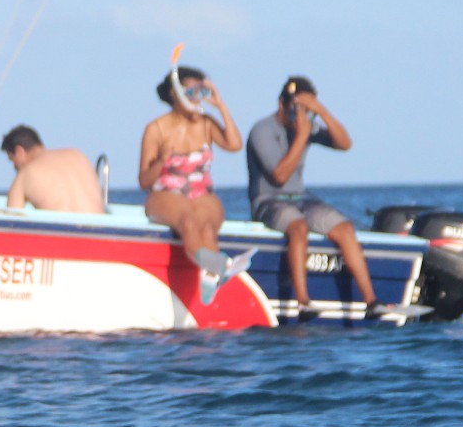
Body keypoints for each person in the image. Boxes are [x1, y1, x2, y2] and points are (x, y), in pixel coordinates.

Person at [245, 75, 381, 319]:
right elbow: (279, 176)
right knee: (298, 227)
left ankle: (371, 302)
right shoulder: (262, 130)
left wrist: (321, 111)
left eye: (309, 112)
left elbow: (344, 143)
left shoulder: (307, 125)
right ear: (281, 105)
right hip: (268, 200)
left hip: (299, 199)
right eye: (298, 109)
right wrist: (301, 136)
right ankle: (303, 302)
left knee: (344, 229)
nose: (302, 117)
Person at [138, 63, 241, 301]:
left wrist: (220, 105)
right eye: (193, 92)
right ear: (176, 93)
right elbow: (144, 180)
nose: (198, 98)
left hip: (201, 190)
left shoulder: (206, 123)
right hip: (166, 191)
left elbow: (234, 145)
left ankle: (210, 287)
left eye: (202, 92)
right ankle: (214, 264)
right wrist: (160, 161)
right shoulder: (156, 129)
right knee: (189, 223)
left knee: (207, 228)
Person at [0, 125, 104, 214]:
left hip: (62, 234)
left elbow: (11, 223)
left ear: (19, 152)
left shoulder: (24, 175)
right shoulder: (78, 155)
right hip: (101, 232)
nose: (14, 167)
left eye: (12, 160)